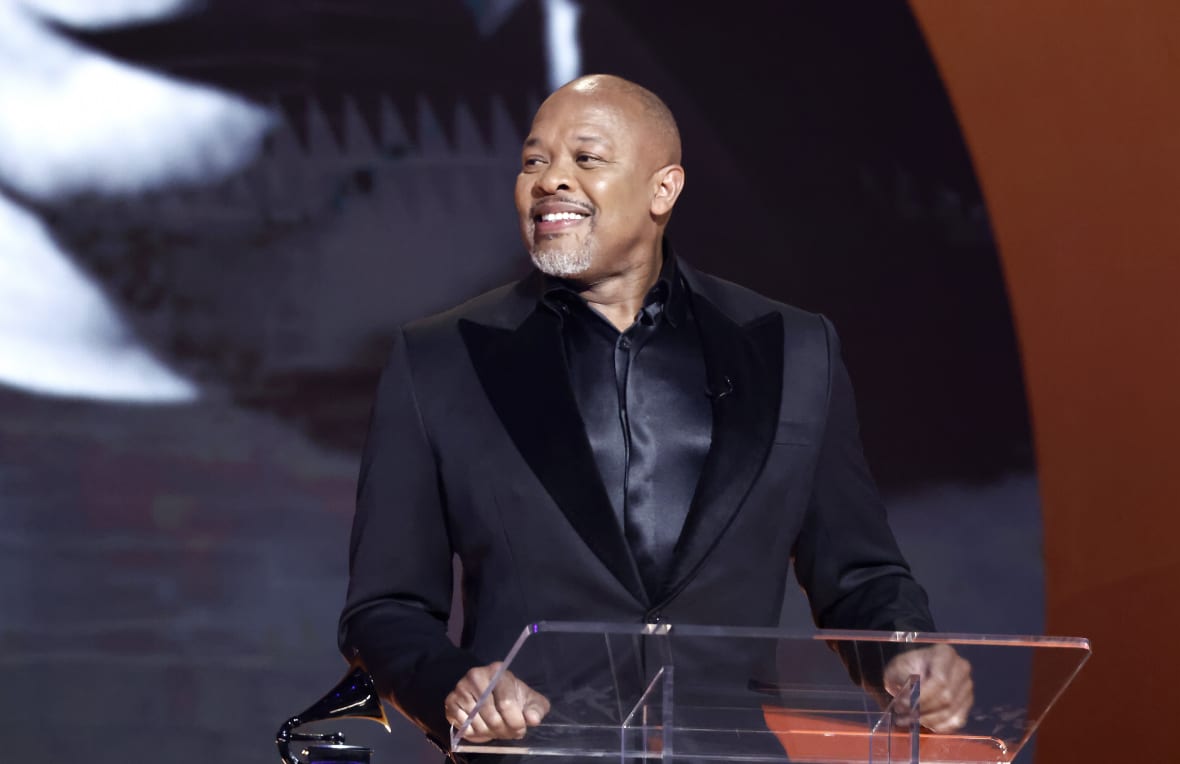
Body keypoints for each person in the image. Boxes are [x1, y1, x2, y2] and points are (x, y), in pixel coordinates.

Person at [338, 73, 972, 755]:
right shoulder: (439, 359)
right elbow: (385, 608)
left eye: (585, 158)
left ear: (663, 190)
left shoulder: (793, 349)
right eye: (533, 161)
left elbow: (859, 575)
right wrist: (452, 685)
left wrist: (905, 653)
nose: (550, 180)